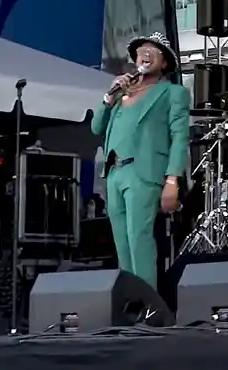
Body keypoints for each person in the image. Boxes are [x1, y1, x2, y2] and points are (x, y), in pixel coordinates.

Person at [91, 32, 190, 289]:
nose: (145, 53)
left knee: (139, 237)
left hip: (143, 171)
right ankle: (130, 303)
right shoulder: (121, 93)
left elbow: (179, 137)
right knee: (121, 241)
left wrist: (172, 179)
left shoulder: (172, 93)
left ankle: (148, 304)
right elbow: (95, 127)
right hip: (115, 172)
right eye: (142, 49)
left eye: (154, 51)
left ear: (164, 63)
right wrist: (108, 98)